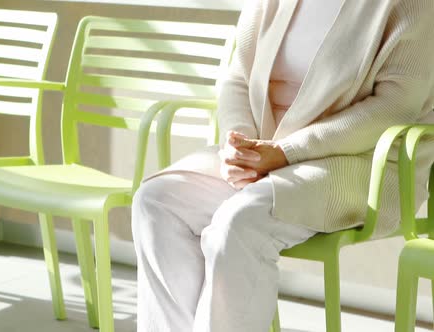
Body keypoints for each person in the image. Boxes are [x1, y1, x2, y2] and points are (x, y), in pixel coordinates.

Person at [131, 0, 434, 331]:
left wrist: (286, 152)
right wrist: (242, 146)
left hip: (360, 164)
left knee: (241, 221)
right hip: (267, 154)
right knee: (156, 201)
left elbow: (392, 108)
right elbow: (237, 76)